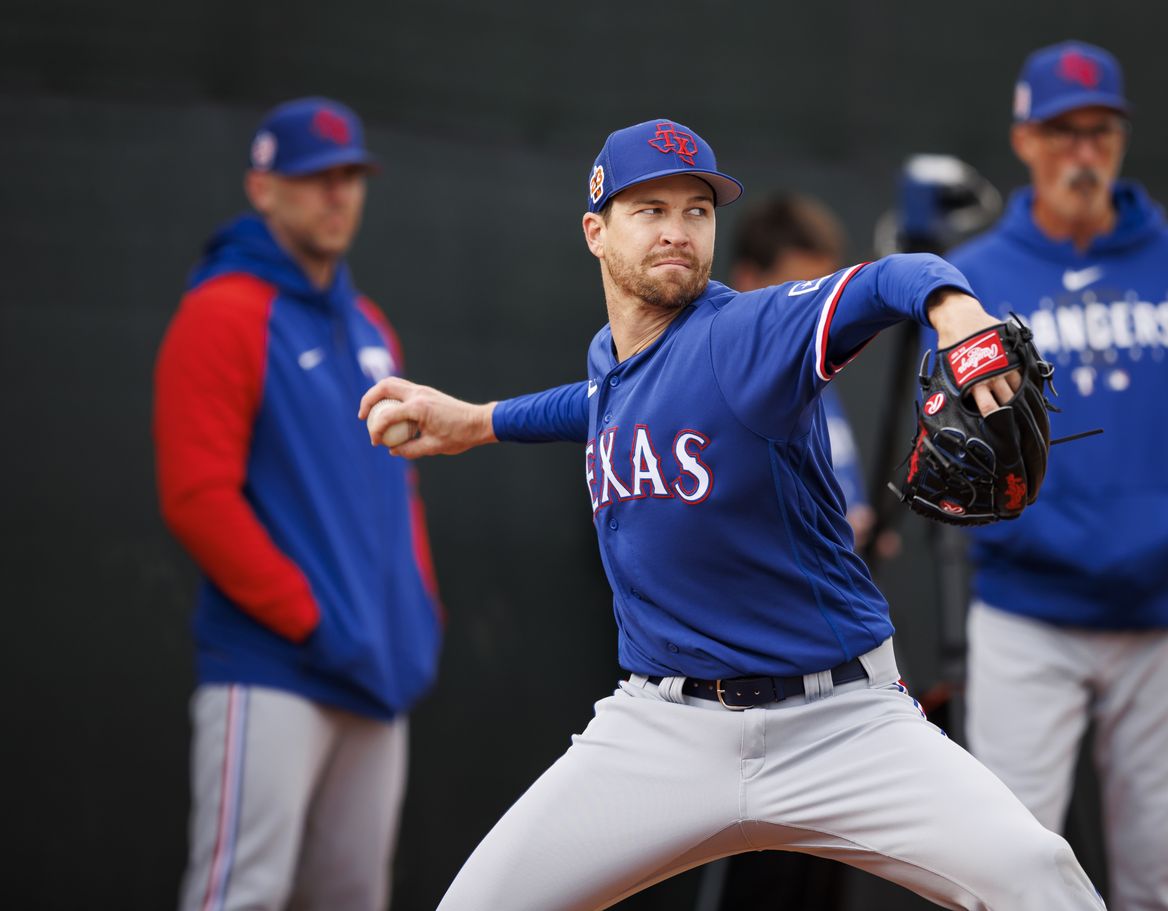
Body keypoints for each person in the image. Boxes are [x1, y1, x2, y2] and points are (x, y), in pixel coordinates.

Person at [361, 117, 1105, 911]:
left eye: (696, 210)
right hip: (662, 731)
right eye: (650, 210)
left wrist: (949, 304)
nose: (677, 231)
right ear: (596, 231)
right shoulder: (611, 359)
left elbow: (886, 279)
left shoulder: (750, 332)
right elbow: (603, 403)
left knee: (1037, 877)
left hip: (840, 724)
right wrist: (480, 421)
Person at [941, 42, 1168, 911]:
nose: (1082, 152)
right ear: (1024, 138)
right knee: (998, 872)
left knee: (1161, 879)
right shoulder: (979, 275)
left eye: (1099, 132)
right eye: (1062, 132)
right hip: (1027, 614)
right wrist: (1054, 536)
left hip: (1167, 613)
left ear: (1119, 140)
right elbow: (958, 452)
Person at [153, 97, 443, 911]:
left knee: (353, 899)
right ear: (263, 187)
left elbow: (398, 486)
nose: (337, 195)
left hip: (374, 672)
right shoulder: (221, 311)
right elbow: (196, 498)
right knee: (240, 895)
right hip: (272, 667)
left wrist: (412, 619)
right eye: (315, 178)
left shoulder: (370, 323)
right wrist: (314, 620)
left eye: (350, 176)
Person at [729, 192, 885, 554]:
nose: (815, 310)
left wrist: (856, 524)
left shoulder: (812, 365)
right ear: (748, 279)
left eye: (825, 292)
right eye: (800, 290)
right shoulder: (728, 383)